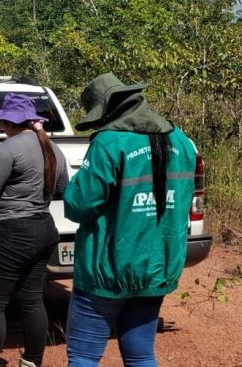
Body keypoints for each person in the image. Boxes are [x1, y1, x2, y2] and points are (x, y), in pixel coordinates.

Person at [63, 73, 198, 367]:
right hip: (157, 268)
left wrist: (70, 185)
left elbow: (78, 205)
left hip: (107, 271)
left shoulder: (109, 142)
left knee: (84, 356)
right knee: (141, 354)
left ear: (107, 110)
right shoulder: (183, 142)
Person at [0, 93, 70, 367]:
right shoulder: (53, 147)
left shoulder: (11, 147)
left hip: (13, 232)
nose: (1, 127)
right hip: (45, 229)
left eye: (2, 122)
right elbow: (63, 189)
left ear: (11, 121)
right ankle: (32, 361)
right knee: (31, 299)